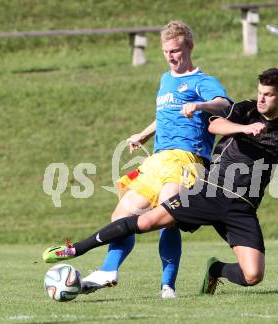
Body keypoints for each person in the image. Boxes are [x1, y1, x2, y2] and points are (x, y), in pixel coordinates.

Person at [43, 68, 278, 295]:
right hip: (209, 192)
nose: (262, 97)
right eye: (260, 91)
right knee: (146, 219)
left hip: (241, 209)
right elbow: (215, 125)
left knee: (253, 275)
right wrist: (245, 127)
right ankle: (77, 249)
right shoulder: (243, 109)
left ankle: (215, 270)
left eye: (269, 94)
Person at [81, 20, 231, 298]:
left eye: (176, 50)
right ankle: (108, 270)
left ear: (189, 47)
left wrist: (200, 104)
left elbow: (224, 103)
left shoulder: (203, 81)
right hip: (158, 160)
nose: (171, 57)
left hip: (188, 160)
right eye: (166, 52)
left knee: (167, 216)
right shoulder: (165, 80)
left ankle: (167, 285)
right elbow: (164, 116)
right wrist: (143, 134)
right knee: (121, 214)